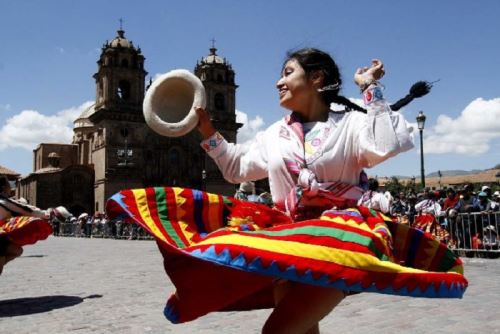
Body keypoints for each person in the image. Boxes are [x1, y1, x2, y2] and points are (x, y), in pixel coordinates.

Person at [107, 48, 466, 333]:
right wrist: (206, 130)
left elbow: (385, 144)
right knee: (304, 329)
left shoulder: (351, 125)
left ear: (316, 78)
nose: (279, 82)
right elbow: (236, 170)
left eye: (288, 73)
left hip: (338, 239)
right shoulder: (275, 135)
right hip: (288, 240)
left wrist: (370, 88)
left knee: (280, 331)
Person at [0, 174, 70, 275]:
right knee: (13, 253)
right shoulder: (4, 202)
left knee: (17, 251)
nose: (11, 187)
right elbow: (26, 210)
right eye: (8, 184)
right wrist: (48, 213)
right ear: (3, 187)